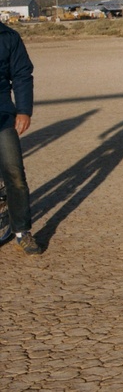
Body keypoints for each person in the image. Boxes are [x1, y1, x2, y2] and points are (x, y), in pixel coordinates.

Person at [0, 21, 41, 255]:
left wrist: (24, 110)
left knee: (14, 173)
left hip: (3, 115)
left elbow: (22, 74)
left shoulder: (8, 36)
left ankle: (22, 231)